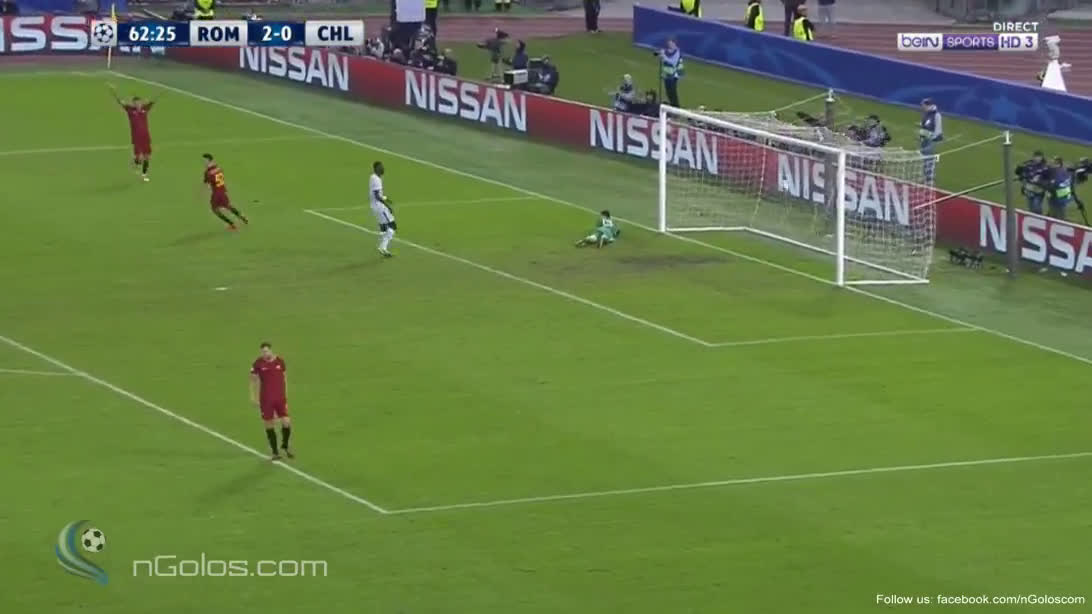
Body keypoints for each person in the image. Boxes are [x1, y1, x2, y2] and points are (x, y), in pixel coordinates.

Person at [249, 342, 293, 461]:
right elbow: (252, 381)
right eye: (263, 352)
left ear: (271, 350)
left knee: (286, 422)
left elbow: (284, 378)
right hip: (266, 399)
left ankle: (285, 446)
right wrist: (253, 397)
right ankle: (274, 452)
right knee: (269, 424)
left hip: (280, 398)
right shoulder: (258, 363)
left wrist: (285, 395)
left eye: (266, 351)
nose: (265, 353)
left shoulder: (280, 361)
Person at [109, 85, 158, 182]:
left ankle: (144, 174)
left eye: (139, 103)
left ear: (141, 103)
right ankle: (135, 162)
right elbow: (120, 101)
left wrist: (158, 91)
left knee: (147, 156)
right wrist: (114, 91)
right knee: (139, 158)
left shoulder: (145, 109)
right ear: (133, 104)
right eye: (136, 103)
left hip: (146, 137)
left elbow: (153, 100)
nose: (138, 104)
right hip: (136, 138)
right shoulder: (130, 110)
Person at [202, 154, 249, 230]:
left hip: (216, 193)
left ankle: (232, 224)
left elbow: (207, 184)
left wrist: (205, 189)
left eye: (204, 160)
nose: (203, 162)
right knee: (228, 206)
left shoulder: (208, 172)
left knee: (215, 210)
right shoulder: (218, 168)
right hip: (223, 191)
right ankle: (242, 217)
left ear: (208, 160)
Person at [370, 161, 397, 258]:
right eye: (381, 167)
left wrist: (385, 198)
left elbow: (377, 194)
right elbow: (377, 196)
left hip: (375, 206)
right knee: (392, 226)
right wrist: (387, 205)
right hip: (379, 206)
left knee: (385, 227)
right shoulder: (376, 179)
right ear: (376, 168)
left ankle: (382, 246)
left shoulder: (373, 177)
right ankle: (383, 247)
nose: (383, 169)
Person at [918, 98, 943, 183]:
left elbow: (938, 130)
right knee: (924, 159)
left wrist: (932, 138)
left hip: (932, 141)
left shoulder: (937, 115)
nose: (922, 107)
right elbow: (924, 126)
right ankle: (925, 177)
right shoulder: (926, 114)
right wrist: (921, 136)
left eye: (923, 105)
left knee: (930, 159)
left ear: (928, 105)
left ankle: (930, 178)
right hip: (925, 140)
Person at [658, 39, 684, 107]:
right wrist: (661, 55)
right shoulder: (667, 51)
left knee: (673, 93)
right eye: (668, 43)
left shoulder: (677, 52)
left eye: (671, 43)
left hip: (674, 75)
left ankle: (676, 107)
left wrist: (664, 56)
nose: (669, 45)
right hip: (667, 75)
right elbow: (665, 63)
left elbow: (673, 62)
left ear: (674, 43)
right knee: (668, 92)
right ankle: (672, 106)